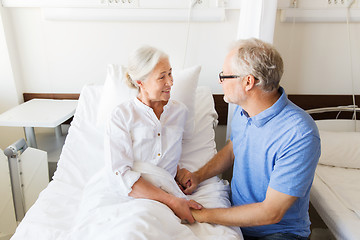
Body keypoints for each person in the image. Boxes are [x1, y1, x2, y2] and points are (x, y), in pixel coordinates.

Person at [176, 38, 321, 240]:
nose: (220, 81)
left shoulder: (299, 133)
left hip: (278, 233)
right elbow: (234, 148)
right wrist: (199, 176)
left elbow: (271, 212)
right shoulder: (244, 111)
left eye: (224, 76)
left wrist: (202, 215)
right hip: (237, 222)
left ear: (248, 82)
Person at [104, 45, 201, 224]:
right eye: (162, 77)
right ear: (141, 82)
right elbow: (120, 174)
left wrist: (178, 172)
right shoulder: (122, 116)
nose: (170, 82)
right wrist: (172, 201)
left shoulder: (180, 112)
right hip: (131, 197)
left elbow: (171, 152)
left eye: (170, 73)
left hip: (169, 189)